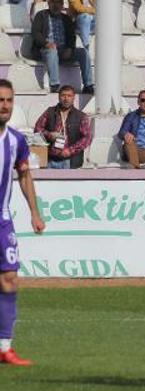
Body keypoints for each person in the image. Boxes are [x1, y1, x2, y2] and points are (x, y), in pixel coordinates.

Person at [0, 79, 46, 366]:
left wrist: (35, 212)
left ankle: (5, 346)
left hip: (3, 222)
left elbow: (24, 175)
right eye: (0, 100)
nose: (4, 106)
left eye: (8, 100)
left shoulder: (16, 140)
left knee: (9, 279)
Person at [30, 0, 94, 94]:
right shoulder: (41, 15)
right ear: (49, 4)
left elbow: (72, 36)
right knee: (52, 50)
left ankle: (88, 85)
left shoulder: (66, 19)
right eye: (53, 3)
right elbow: (36, 33)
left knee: (83, 52)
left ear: (62, 5)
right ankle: (55, 85)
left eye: (58, 3)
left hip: (63, 49)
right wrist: (46, 43)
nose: (55, 5)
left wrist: (70, 48)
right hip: (45, 49)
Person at [33, 85, 92, 169]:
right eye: (63, 95)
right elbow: (37, 129)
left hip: (71, 160)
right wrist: (49, 135)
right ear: (59, 97)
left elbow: (87, 138)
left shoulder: (81, 116)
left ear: (73, 98)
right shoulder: (50, 112)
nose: (66, 98)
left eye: (69, 96)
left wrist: (70, 150)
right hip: (50, 159)